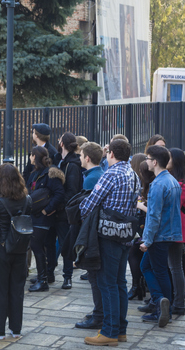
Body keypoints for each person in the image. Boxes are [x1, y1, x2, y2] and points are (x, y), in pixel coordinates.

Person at [80, 139, 140, 346]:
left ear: (112, 154)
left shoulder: (111, 174)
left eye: (107, 153)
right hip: (125, 235)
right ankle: (120, 329)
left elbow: (90, 204)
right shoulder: (133, 174)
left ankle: (109, 332)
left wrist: (80, 209)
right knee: (119, 282)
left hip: (108, 235)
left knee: (107, 283)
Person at [0, 164, 30, 340]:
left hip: (0, 249)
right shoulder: (27, 199)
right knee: (16, 290)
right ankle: (16, 329)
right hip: (20, 249)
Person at [136, 146, 181, 328]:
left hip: (159, 235)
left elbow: (154, 216)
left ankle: (161, 303)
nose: (146, 161)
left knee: (157, 270)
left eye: (148, 158)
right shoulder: (172, 181)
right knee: (148, 266)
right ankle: (161, 305)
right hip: (170, 233)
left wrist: (146, 240)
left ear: (154, 162)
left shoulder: (158, 184)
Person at [23, 146, 65, 292]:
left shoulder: (50, 173)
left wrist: (47, 210)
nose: (29, 157)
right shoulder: (35, 173)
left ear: (35, 156)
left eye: (31, 155)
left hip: (43, 218)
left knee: (36, 245)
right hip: (34, 216)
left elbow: (59, 193)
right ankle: (44, 276)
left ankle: (43, 280)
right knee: (37, 246)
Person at [75, 141, 105, 331]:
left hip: (93, 234)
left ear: (87, 158)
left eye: (80, 155)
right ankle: (98, 311)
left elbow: (87, 210)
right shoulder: (96, 174)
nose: (79, 158)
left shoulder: (91, 178)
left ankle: (98, 315)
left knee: (95, 277)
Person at [48, 132, 82, 289]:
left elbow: (72, 191)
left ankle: (67, 277)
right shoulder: (57, 161)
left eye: (59, 139)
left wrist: (58, 207)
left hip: (63, 213)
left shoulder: (73, 165)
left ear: (62, 144)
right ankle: (48, 274)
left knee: (65, 245)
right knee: (49, 244)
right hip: (53, 210)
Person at [167, 148, 185, 310]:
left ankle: (179, 302)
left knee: (176, 266)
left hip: (177, 228)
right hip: (176, 227)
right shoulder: (178, 180)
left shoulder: (182, 184)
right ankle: (176, 299)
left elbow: (174, 206)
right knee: (174, 265)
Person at [127, 154, 149, 302]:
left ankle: (136, 286)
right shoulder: (148, 182)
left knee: (133, 254)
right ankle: (140, 285)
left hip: (137, 221)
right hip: (144, 223)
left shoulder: (135, 182)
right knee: (139, 254)